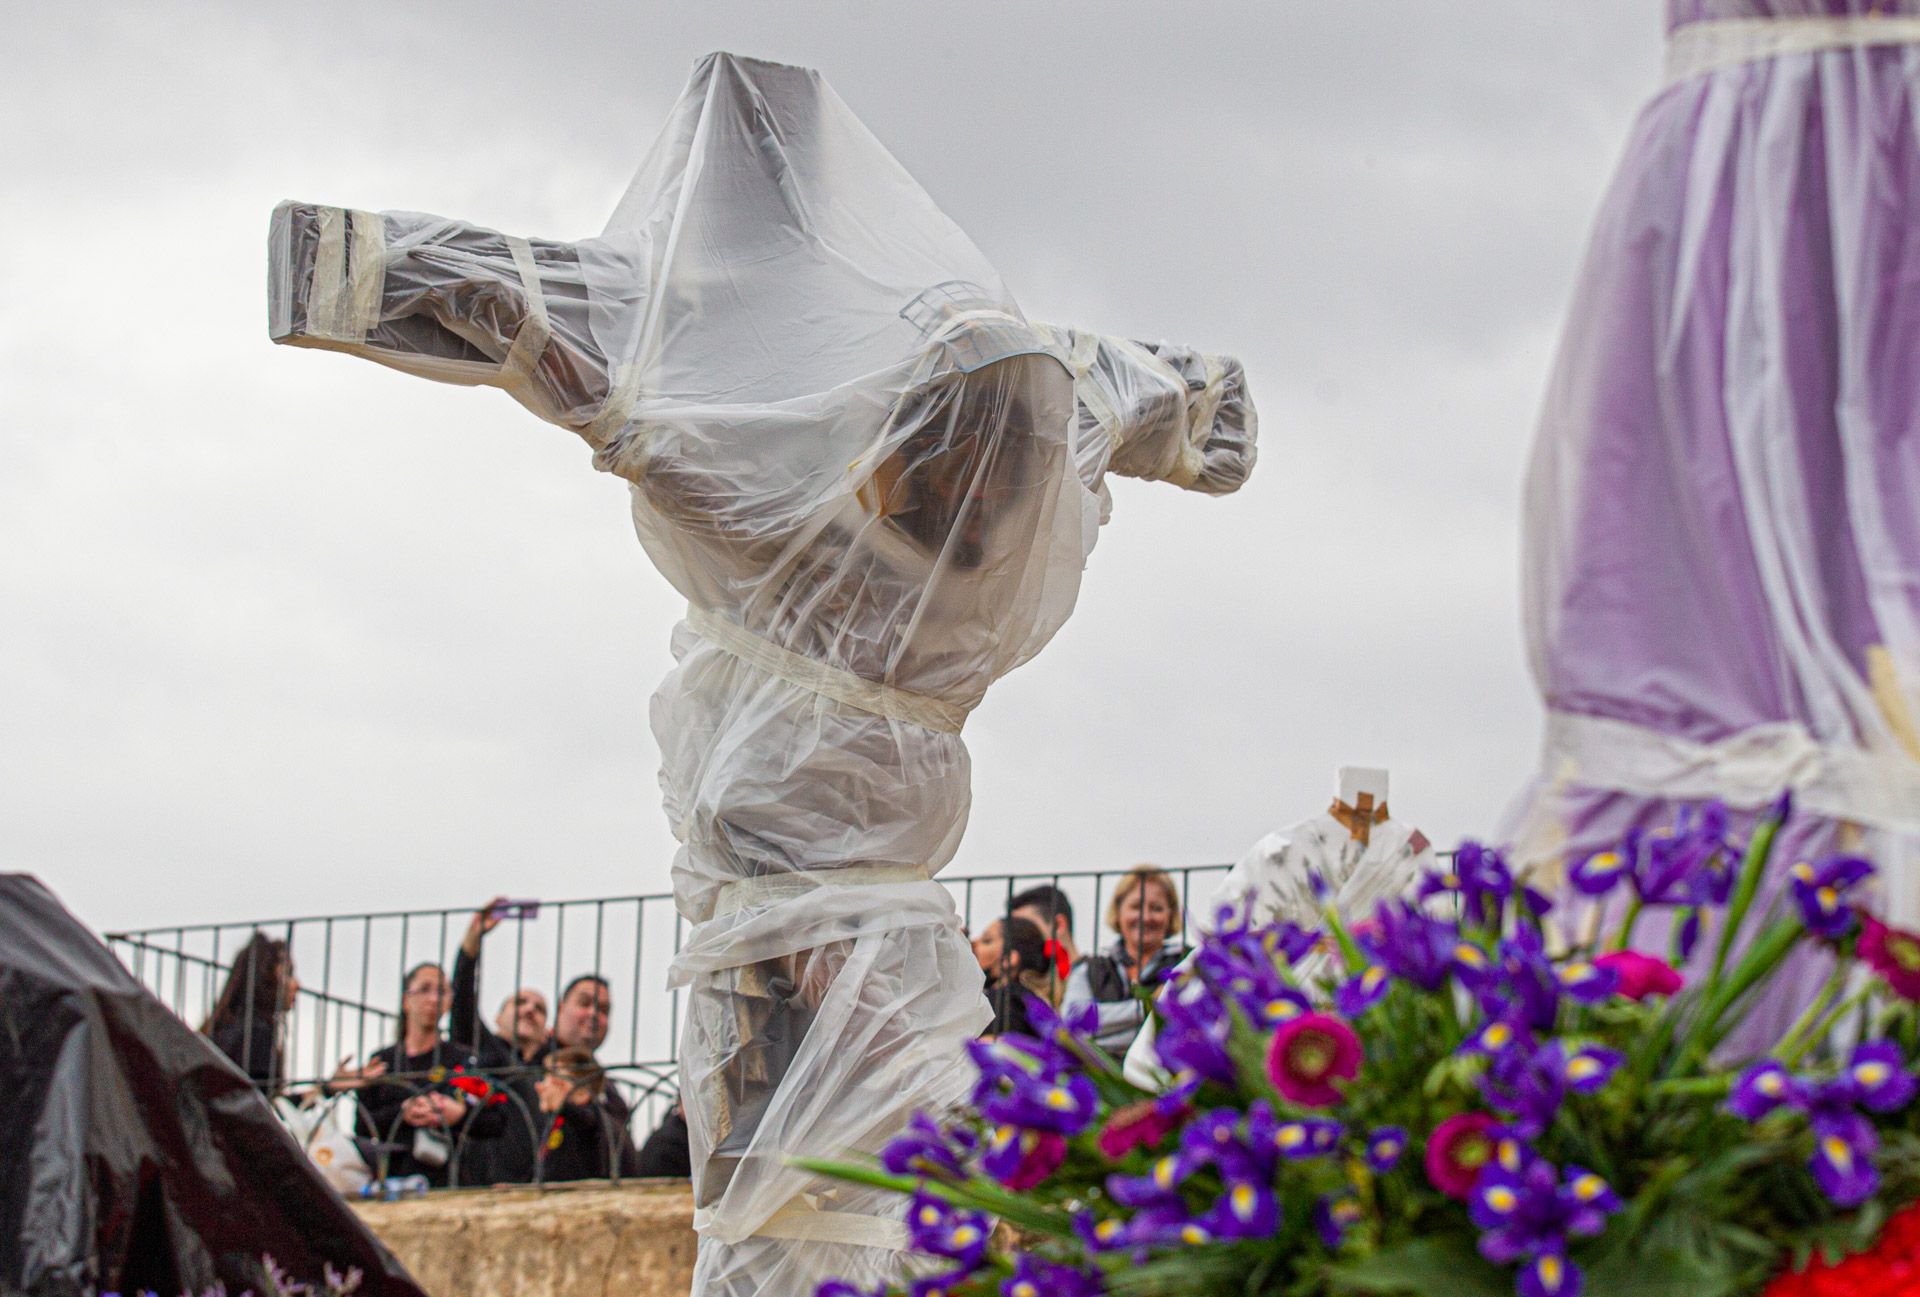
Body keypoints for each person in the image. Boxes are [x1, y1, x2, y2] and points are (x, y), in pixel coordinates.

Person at [351, 962, 503, 1188]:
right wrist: (403, 1112)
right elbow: (362, 1124)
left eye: (441, 991)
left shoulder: (463, 1059)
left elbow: (496, 1120)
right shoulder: (384, 1060)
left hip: (449, 1178)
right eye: (424, 989)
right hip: (391, 1177)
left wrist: (459, 1113)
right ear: (406, 1000)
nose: (433, 999)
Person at [1063, 867, 1187, 1057]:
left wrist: (1100, 1037)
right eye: (1136, 906)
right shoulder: (1090, 969)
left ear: (1171, 915)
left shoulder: (1188, 962)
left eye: (1156, 908)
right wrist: (1152, 1005)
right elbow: (1074, 1021)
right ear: (1118, 911)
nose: (1145, 917)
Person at [202, 931, 298, 1093]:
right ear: (268, 980)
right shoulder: (258, 1034)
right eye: (288, 974)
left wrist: (324, 1089)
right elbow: (261, 1108)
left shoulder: (220, 1029)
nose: (296, 984)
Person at [983, 916, 1056, 1039]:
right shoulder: (1030, 1000)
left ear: (1008, 959)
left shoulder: (999, 1001)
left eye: (986, 940)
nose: (973, 944)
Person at [1009, 884, 1078, 995]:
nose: (1017, 938)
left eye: (1026, 928)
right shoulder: (1015, 990)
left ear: (1058, 925)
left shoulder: (1099, 980)